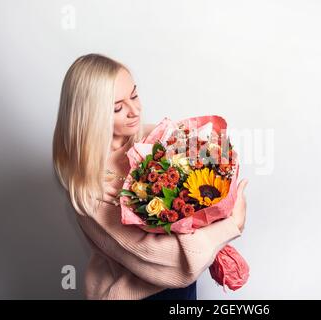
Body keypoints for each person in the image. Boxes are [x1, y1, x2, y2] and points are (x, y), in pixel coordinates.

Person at [52, 53, 248, 300]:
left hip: (180, 292)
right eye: (118, 107)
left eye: (134, 95)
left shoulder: (155, 138)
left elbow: (206, 173)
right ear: (89, 115)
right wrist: (231, 225)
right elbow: (174, 265)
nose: (135, 110)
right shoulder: (91, 189)